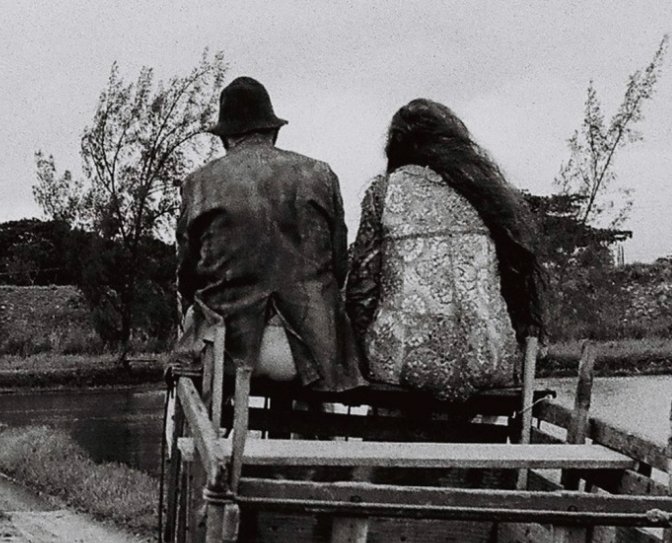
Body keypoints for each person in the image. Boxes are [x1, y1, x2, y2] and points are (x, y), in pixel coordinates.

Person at [344, 98, 547, 403]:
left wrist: (360, 351)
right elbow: (514, 286)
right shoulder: (485, 192)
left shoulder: (384, 192)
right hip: (490, 361)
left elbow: (361, 291)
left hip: (405, 361)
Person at [174, 76, 365, 393]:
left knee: (194, 317)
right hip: (315, 352)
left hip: (229, 353)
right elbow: (340, 266)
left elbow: (187, 277)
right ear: (273, 131)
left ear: (226, 138)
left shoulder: (198, 183)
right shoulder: (321, 174)